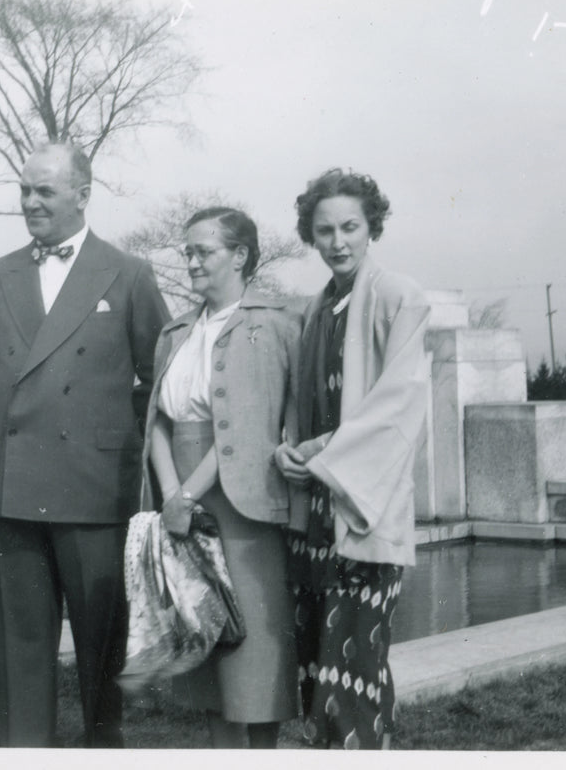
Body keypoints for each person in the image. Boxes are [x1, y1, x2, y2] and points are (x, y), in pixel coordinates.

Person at [0, 142, 170, 747]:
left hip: (95, 493)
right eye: (24, 190)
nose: (30, 202)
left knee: (101, 660)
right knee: (22, 659)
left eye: (44, 191)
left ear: (83, 194)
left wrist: (109, 436)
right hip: (17, 491)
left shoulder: (129, 273)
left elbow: (162, 377)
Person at [274, 169, 432, 750]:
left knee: (358, 666)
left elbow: (397, 406)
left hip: (362, 503)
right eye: (324, 231)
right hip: (314, 512)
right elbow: (302, 404)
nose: (337, 242)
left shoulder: (398, 297)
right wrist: (291, 449)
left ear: (372, 228)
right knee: (323, 667)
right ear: (310, 237)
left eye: (349, 227)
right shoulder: (315, 309)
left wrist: (314, 454)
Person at [142, 207, 302, 748]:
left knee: (254, 646)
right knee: (204, 647)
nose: (189, 262)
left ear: (240, 256)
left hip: (245, 507)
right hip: (181, 505)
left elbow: (256, 429)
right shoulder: (176, 333)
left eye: (202, 251)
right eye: (185, 252)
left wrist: (187, 494)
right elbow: (159, 421)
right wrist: (171, 496)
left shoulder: (277, 325)